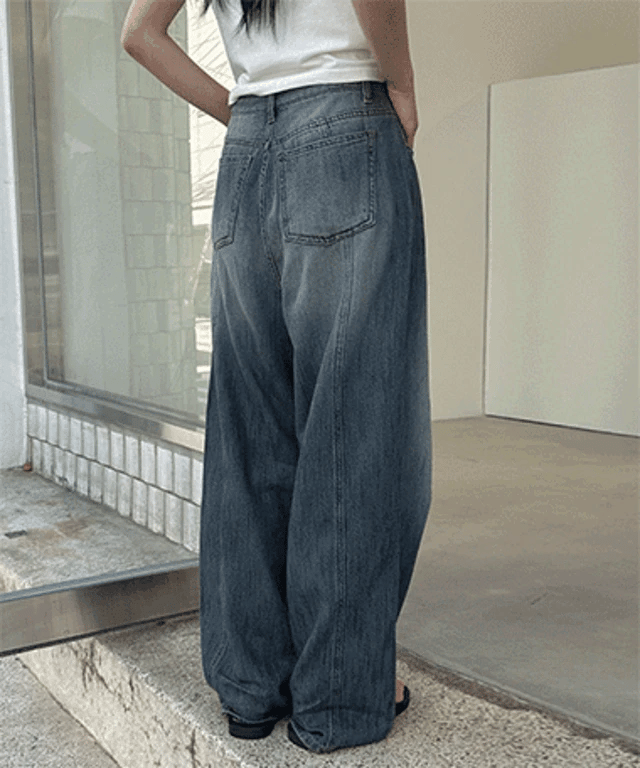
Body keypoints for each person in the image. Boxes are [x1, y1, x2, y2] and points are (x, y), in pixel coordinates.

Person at [121, 0, 432, 753]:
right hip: (347, 123)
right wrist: (402, 84)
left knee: (250, 430)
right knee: (355, 428)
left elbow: (140, 35)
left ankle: (251, 688)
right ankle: (337, 698)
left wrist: (245, 113)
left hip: (248, 152)